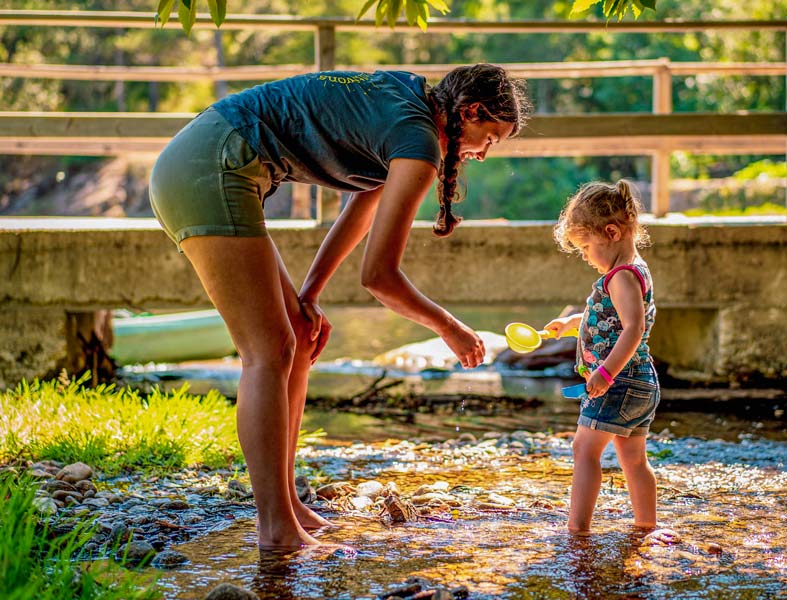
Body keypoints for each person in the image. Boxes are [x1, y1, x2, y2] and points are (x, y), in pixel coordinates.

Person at [149, 64, 531, 550]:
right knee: (267, 351)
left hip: (208, 159)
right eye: (489, 139)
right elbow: (380, 277)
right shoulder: (418, 140)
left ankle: (287, 505)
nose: (481, 153)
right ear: (471, 112)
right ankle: (276, 529)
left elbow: (361, 205)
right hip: (212, 166)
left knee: (297, 335)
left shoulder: (406, 99)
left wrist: (308, 296)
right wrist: (449, 327)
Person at [543, 179, 660, 534]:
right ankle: (646, 526)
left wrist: (605, 374)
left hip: (619, 382)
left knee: (584, 450)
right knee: (634, 460)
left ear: (610, 232)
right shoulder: (634, 270)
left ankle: (578, 530)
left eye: (585, 246)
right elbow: (612, 319)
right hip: (640, 381)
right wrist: (571, 323)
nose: (585, 256)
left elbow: (633, 328)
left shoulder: (621, 277)